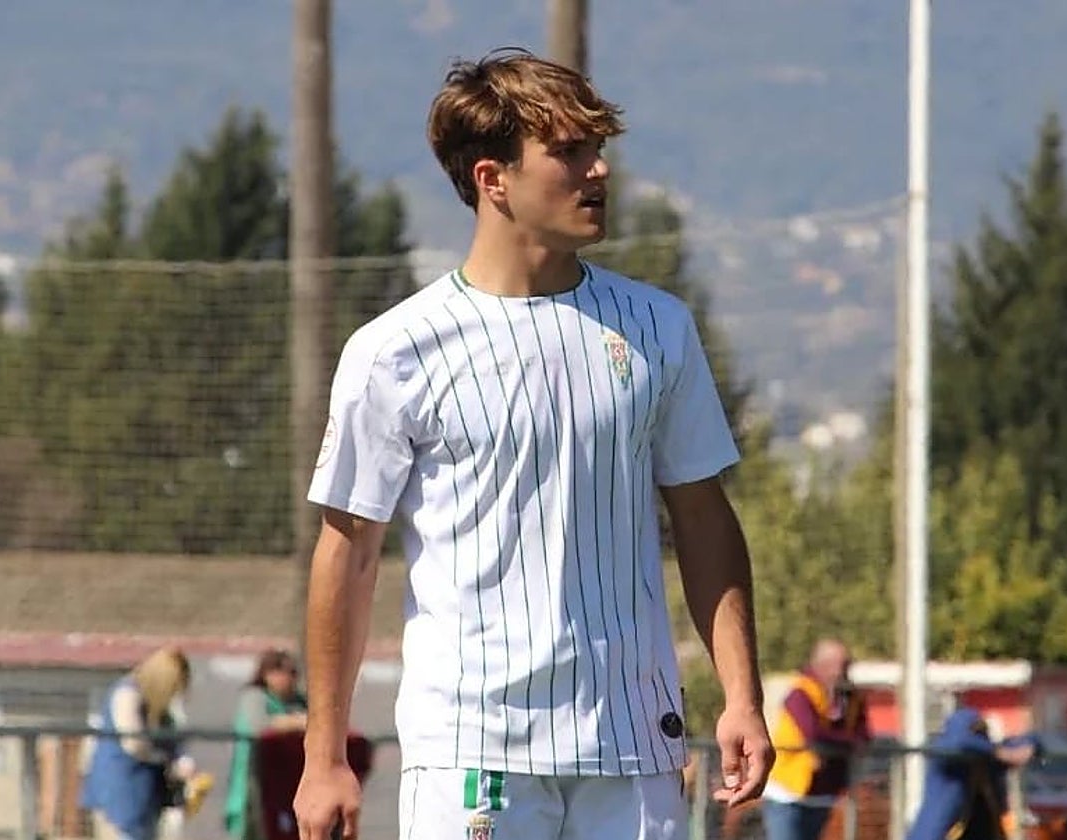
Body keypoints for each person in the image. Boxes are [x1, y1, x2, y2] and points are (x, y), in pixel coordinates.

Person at [293, 48, 774, 840]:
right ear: (493, 179)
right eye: (570, 151)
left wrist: (742, 697)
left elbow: (703, 518)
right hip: (470, 751)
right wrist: (324, 756)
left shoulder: (659, 328)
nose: (599, 171)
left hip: (632, 747)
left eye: (598, 148)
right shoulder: (395, 351)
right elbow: (346, 553)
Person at [81, 646, 197, 840]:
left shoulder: (160, 708)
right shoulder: (127, 693)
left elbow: (171, 739)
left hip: (148, 794)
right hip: (120, 790)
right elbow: (133, 744)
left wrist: (181, 758)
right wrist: (168, 763)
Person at [761, 639, 870, 840]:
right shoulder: (800, 693)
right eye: (839, 665)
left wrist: (847, 742)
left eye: (846, 665)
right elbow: (813, 735)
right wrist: (848, 743)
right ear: (820, 665)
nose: (843, 672)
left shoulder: (850, 698)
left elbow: (863, 735)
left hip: (823, 792)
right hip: (789, 792)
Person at [907, 707, 1039, 840]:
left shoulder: (988, 762)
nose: (980, 737)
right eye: (974, 731)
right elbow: (958, 741)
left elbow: (1030, 741)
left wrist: (1028, 746)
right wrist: (998, 752)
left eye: (982, 731)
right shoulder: (946, 755)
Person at [225, 648, 309, 840]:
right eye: (280, 671)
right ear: (266, 674)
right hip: (255, 777)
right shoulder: (254, 697)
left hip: (291, 781)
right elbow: (259, 726)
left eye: (292, 672)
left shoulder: (300, 702)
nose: (287, 678)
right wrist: (296, 722)